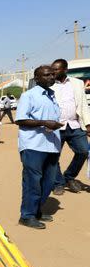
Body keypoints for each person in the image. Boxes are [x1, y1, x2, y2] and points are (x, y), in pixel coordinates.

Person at [14, 65, 62, 229]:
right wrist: (43, 123)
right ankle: (27, 216)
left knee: (48, 182)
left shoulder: (52, 96)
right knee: (32, 182)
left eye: (53, 74)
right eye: (47, 75)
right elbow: (20, 120)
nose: (51, 77)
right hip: (33, 145)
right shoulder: (29, 95)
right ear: (37, 78)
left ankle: (36, 210)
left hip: (52, 145)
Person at [50, 58, 90, 194]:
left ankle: (69, 176)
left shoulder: (77, 83)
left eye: (56, 69)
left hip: (75, 125)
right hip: (55, 127)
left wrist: (88, 123)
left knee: (83, 151)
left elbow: (83, 104)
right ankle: (58, 183)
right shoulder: (49, 85)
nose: (53, 71)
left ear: (65, 70)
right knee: (54, 156)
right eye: (52, 69)